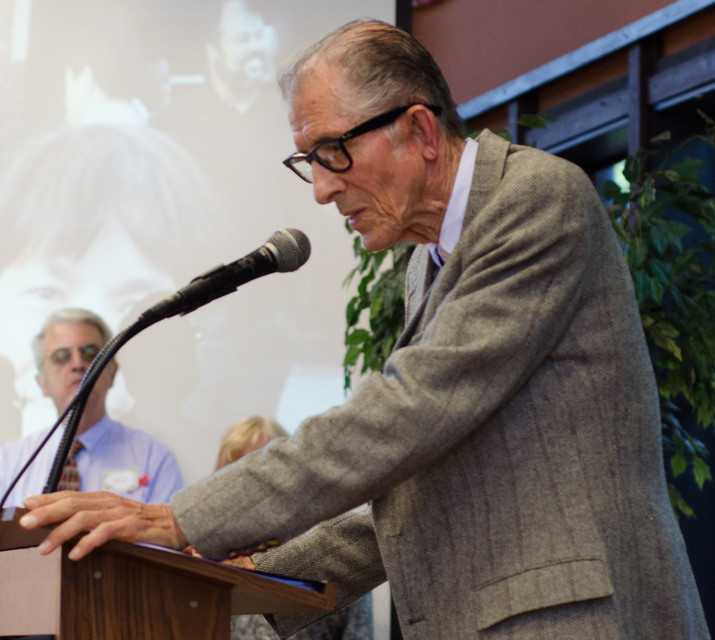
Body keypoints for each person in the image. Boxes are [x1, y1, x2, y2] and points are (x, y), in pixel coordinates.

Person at [19, 19, 710, 640]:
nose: (321, 189)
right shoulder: (422, 266)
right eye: (308, 161)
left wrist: (184, 517)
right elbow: (419, 490)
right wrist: (252, 574)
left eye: (330, 151)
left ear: (418, 130)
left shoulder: (535, 199)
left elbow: (410, 410)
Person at [0, 308, 184, 508]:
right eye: (62, 356)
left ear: (112, 372)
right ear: (41, 382)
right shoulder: (8, 461)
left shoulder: (154, 458)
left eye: (90, 354)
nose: (78, 364)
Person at [213, 416, 374, 640]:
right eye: (235, 468)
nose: (247, 484)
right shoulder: (208, 556)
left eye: (259, 468)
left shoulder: (328, 549)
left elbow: (358, 632)